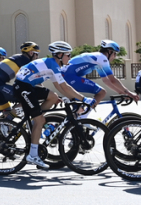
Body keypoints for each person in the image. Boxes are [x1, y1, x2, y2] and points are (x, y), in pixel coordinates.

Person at [13, 41, 90, 169]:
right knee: (40, 120)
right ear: (60, 55)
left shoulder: (53, 65)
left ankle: (35, 121)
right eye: (68, 55)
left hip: (28, 86)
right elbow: (65, 86)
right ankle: (33, 154)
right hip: (23, 87)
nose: (69, 58)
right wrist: (84, 99)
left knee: (53, 97)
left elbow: (59, 87)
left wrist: (72, 98)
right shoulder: (52, 64)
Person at [62, 40, 139, 111]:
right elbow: (112, 80)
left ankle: (77, 115)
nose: (115, 57)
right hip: (70, 76)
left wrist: (121, 92)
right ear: (110, 51)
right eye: (115, 54)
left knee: (78, 110)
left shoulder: (97, 60)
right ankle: (83, 116)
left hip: (65, 76)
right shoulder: (102, 58)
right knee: (101, 93)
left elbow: (106, 81)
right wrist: (129, 93)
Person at [0, 42, 41, 117]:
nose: (37, 57)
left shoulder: (17, 58)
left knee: (7, 112)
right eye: (36, 54)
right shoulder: (25, 61)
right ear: (31, 53)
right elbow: (34, 78)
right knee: (27, 98)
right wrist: (45, 91)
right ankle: (8, 121)